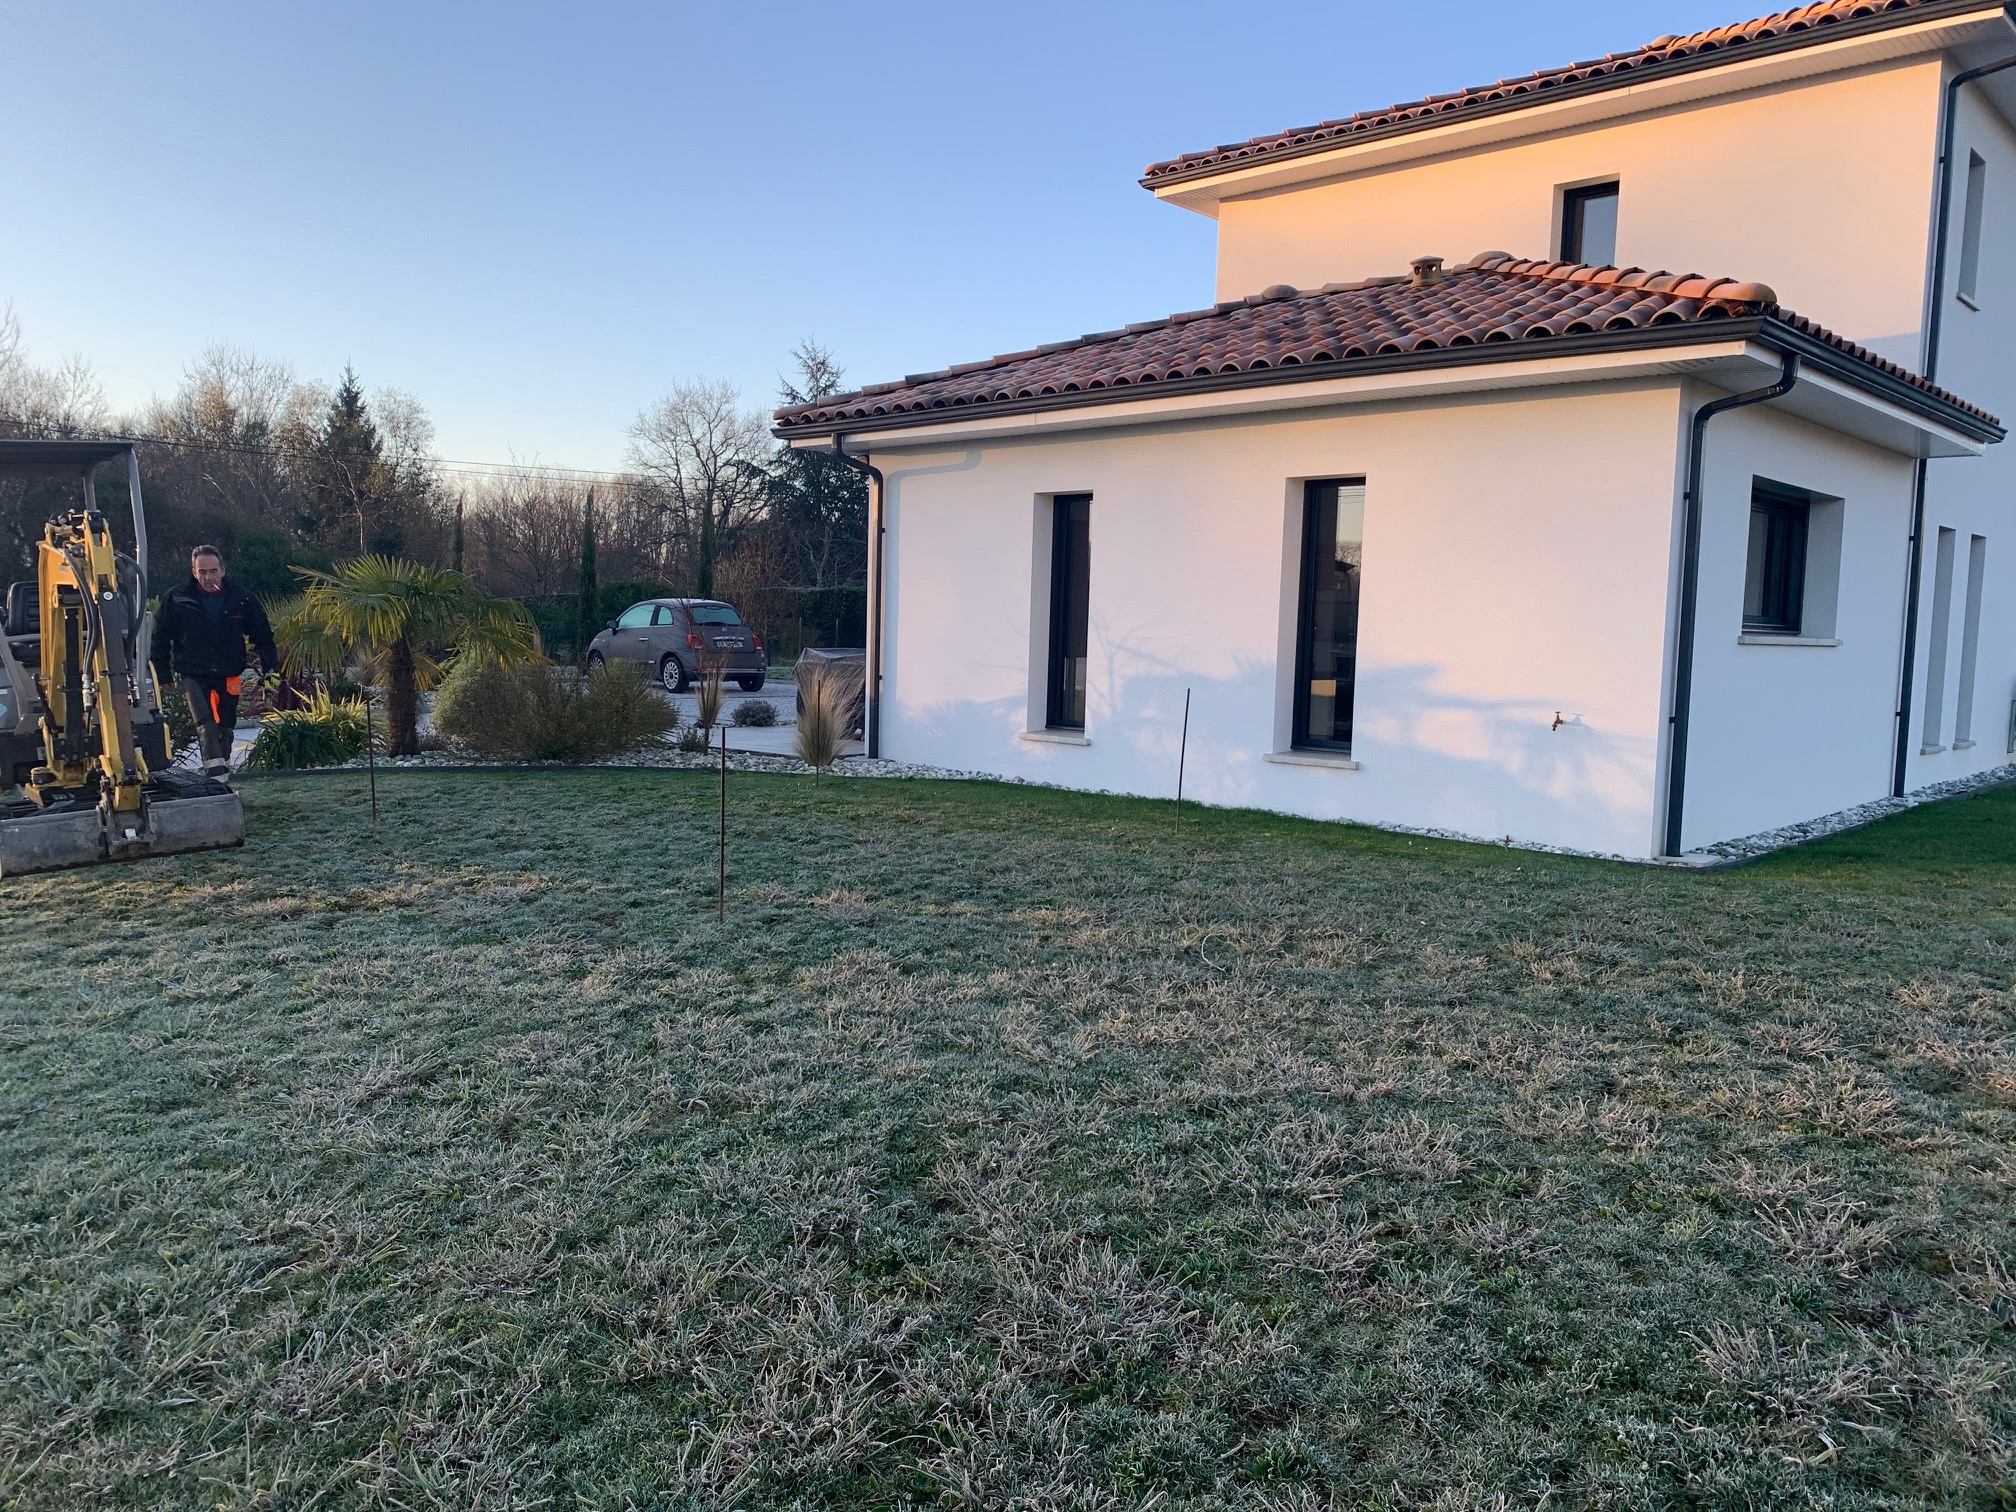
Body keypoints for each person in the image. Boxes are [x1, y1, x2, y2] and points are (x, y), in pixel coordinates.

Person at [151, 545, 280, 782]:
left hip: (229, 672)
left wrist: (270, 671)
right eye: (202, 572)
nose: (208, 577)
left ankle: (223, 774)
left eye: (212, 571)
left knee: (225, 727)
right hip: (193, 673)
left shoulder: (241, 599)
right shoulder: (177, 598)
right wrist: (163, 675)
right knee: (205, 724)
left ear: (222, 570)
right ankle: (216, 777)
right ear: (194, 572)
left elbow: (263, 636)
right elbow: (160, 638)